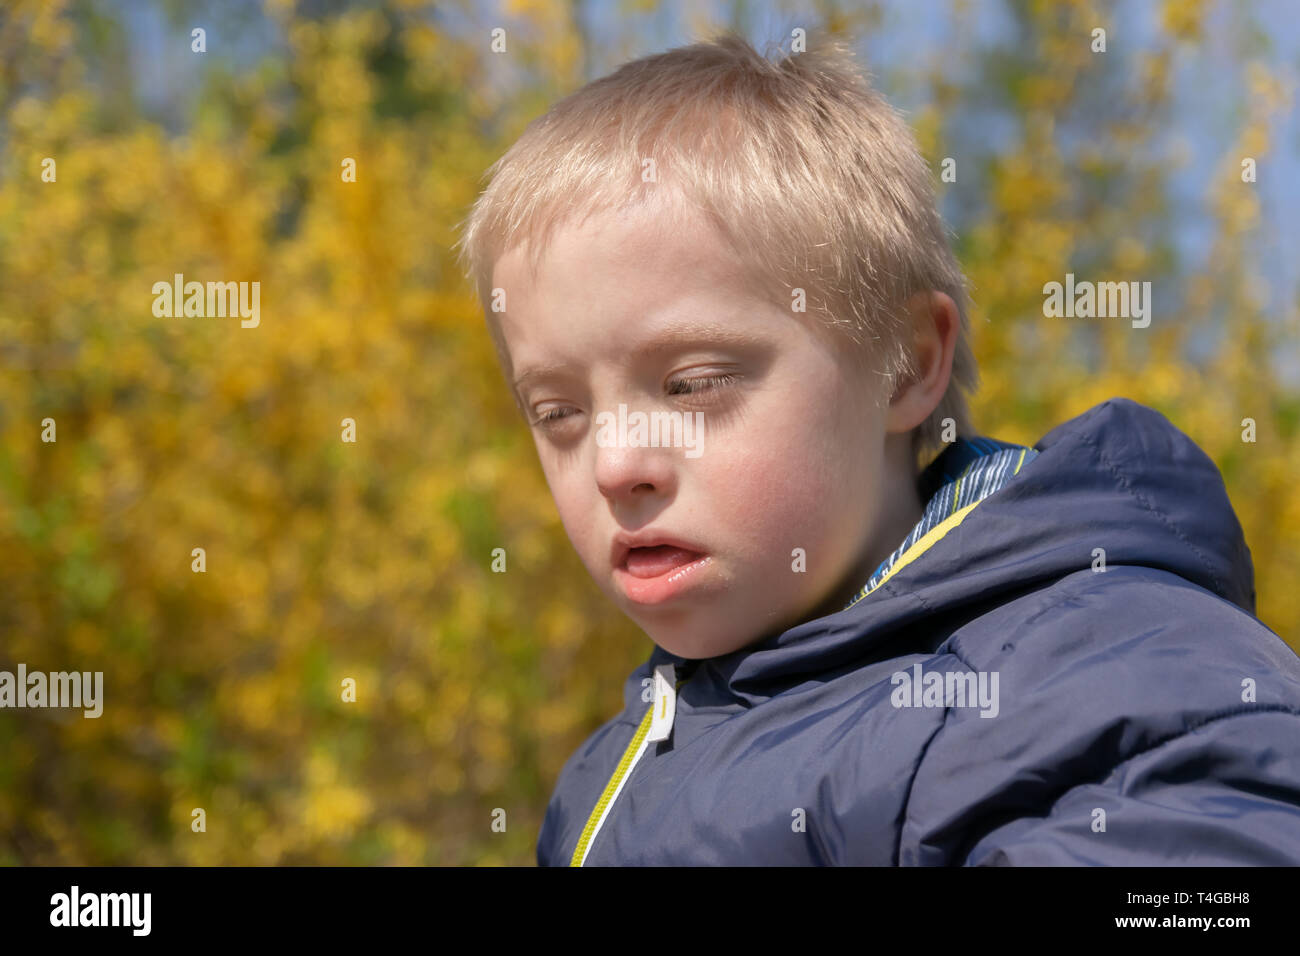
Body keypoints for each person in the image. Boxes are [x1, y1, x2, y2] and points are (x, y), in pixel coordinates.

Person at [453, 32, 1300, 865]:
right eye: (559, 412)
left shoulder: (1104, 673)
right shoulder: (615, 773)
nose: (614, 466)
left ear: (907, 365)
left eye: (692, 384)